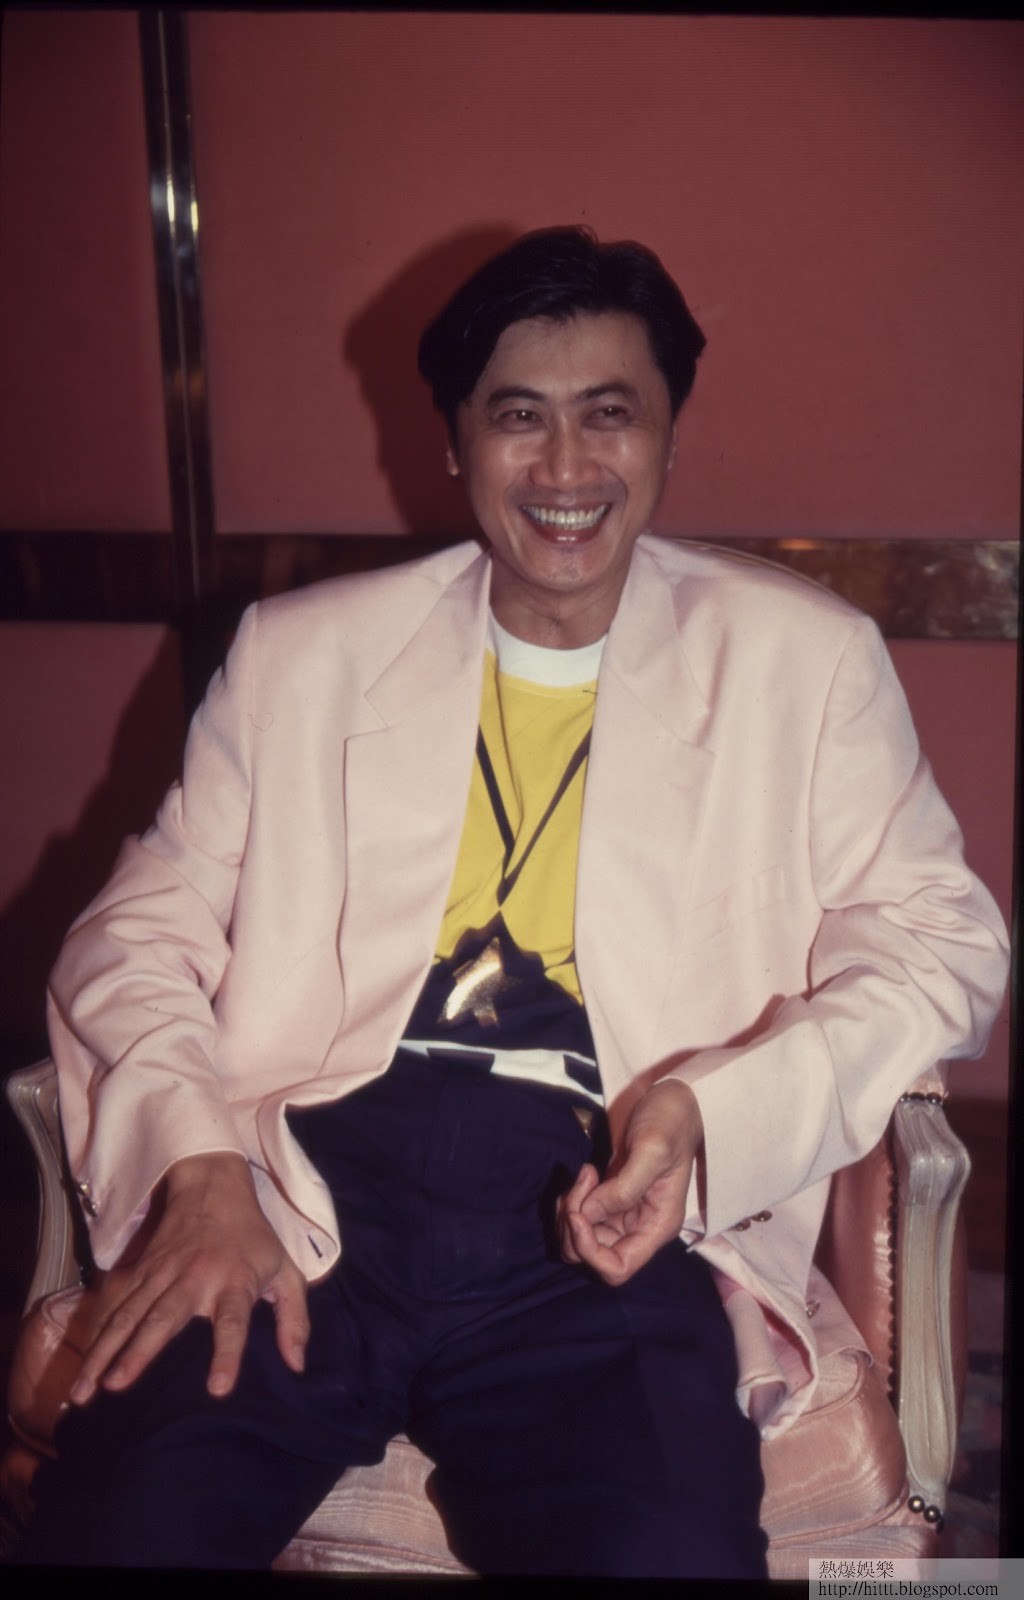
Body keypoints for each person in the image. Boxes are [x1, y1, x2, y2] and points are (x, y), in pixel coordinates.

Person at [19, 227, 1008, 1575]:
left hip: (607, 1196)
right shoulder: (301, 657)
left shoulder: (804, 662)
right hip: (309, 1187)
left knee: (664, 1550)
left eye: (610, 414)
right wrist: (200, 1167)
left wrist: (710, 1112)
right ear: (454, 444)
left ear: (669, 435)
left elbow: (947, 944)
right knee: (124, 1522)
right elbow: (131, 938)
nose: (564, 468)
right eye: (518, 417)